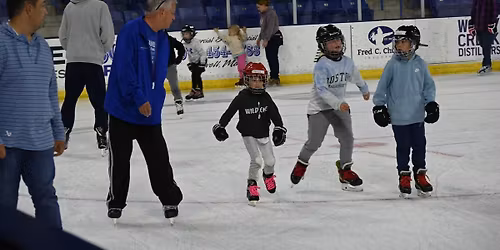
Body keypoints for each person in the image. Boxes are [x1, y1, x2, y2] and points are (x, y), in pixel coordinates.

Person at [104, 0, 183, 222]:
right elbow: (123, 69)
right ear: (162, 12)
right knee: (120, 159)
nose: (174, 18)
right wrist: (139, 98)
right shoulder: (131, 31)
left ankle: (169, 198)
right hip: (123, 109)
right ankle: (116, 201)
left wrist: (155, 99)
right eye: (172, 13)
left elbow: (158, 74)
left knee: (158, 158)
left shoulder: (163, 38)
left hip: (149, 112)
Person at [0, 0, 65, 229]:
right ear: (28, 8)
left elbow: (50, 92)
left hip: (41, 143)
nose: (46, 11)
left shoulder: (43, 46)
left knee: (47, 200)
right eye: (42, 6)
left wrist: (58, 131)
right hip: (7, 145)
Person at [289, 25, 370, 192]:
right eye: (331, 41)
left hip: (338, 107)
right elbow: (322, 90)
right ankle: (301, 163)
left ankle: (345, 170)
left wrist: (364, 88)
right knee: (314, 142)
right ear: (323, 46)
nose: (336, 44)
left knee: (347, 138)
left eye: (338, 40)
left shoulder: (348, 62)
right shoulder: (321, 65)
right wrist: (338, 104)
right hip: (320, 109)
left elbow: (356, 76)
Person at [372, 25, 438, 198]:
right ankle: (404, 176)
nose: (399, 45)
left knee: (419, 146)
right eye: (397, 42)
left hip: (417, 116)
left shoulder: (420, 64)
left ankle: (420, 174)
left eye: (404, 42)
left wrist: (430, 103)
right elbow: (382, 88)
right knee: (403, 147)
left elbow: (428, 86)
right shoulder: (392, 65)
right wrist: (379, 106)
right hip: (399, 116)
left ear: (414, 44)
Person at [212, 62, 287, 206]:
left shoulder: (266, 97)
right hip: (248, 133)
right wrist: (221, 126)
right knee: (257, 161)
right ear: (247, 80)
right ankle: (251, 186)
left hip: (263, 133)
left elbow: (275, 114)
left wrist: (279, 128)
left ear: (264, 80)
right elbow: (229, 112)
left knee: (270, 162)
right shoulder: (242, 97)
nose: (257, 83)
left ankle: (268, 175)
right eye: (253, 79)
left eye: (260, 79)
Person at [58, 0, 115, 153]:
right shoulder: (100, 6)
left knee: (70, 100)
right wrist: (99, 50)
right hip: (93, 62)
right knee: (100, 102)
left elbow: (62, 35)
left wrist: (73, 49)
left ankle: (64, 131)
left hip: (74, 62)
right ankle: (101, 132)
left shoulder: (69, 7)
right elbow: (108, 34)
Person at [256, 0, 283, 86]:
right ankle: (273, 76)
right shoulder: (263, 14)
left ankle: (275, 77)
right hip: (269, 38)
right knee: (270, 58)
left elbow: (270, 28)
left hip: (274, 37)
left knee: (273, 58)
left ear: (264, 5)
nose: (258, 9)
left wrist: (266, 39)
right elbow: (264, 28)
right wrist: (260, 38)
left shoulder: (271, 13)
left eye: (259, 7)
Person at [468, 0, 498, 75]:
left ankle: (487, 64)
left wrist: (492, 23)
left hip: (487, 26)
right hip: (479, 25)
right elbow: (473, 11)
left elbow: (495, 10)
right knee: (482, 44)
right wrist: (471, 23)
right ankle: (487, 64)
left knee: (486, 45)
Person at [182, 24, 207, 100]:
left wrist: (202, 63)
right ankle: (195, 90)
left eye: (187, 34)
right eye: (184, 34)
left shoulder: (196, 42)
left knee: (196, 75)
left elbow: (202, 53)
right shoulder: (185, 44)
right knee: (194, 75)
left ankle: (198, 91)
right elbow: (190, 54)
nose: (185, 36)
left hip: (201, 60)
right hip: (194, 62)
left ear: (192, 34)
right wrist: (190, 63)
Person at [166, 32, 186, 116]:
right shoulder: (150, 40)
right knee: (152, 87)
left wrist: (179, 58)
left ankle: (178, 103)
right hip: (156, 67)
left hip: (170, 66)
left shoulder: (169, 39)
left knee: (174, 87)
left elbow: (180, 47)